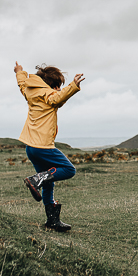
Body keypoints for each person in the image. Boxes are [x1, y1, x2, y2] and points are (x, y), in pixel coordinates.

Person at [14, 61, 84, 232]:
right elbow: (57, 99)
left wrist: (19, 72)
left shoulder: (31, 91)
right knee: (69, 170)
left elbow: (22, 85)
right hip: (43, 146)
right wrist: (72, 86)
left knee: (48, 182)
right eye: (57, 86)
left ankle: (52, 221)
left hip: (31, 147)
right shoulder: (47, 94)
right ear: (50, 85)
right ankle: (35, 180)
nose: (59, 89)